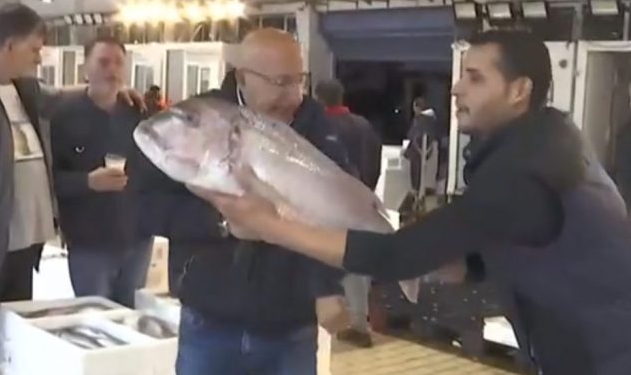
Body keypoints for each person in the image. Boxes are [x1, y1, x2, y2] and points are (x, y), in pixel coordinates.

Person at [192, 30, 631, 375]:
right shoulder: (542, 145)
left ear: (519, 91)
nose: (456, 88)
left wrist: (271, 226)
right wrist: (439, 255)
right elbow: (496, 253)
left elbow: (392, 257)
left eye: (475, 78)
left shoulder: (526, 170)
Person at [0, 3, 143, 375]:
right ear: (9, 45)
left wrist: (114, 88)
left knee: (8, 346)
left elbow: (65, 95)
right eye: (34, 48)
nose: (40, 56)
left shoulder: (23, 88)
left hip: (19, 248)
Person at [133, 28, 349, 375]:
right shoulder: (192, 122)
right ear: (243, 77)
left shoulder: (318, 129)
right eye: (280, 82)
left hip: (291, 324)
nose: (293, 95)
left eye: (298, 80)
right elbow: (144, 208)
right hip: (209, 319)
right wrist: (222, 223)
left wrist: (326, 285)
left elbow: (338, 212)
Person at [51, 36, 153, 308]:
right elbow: (48, 181)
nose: (112, 70)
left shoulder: (138, 112)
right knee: (95, 318)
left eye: (119, 62)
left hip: (137, 239)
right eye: (104, 62)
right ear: (86, 67)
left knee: (132, 318)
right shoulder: (63, 116)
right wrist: (87, 182)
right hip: (90, 243)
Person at [315, 78, 382, 348]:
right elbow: (375, 162)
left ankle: (333, 321)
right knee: (358, 263)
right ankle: (359, 323)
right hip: (361, 204)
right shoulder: (363, 126)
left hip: (330, 205)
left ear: (319, 98)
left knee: (328, 258)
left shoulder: (321, 127)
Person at [404, 96, 439, 195]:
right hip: (429, 152)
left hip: (417, 152)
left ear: (417, 107)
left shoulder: (419, 120)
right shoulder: (433, 120)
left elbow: (412, 135)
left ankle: (416, 193)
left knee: (416, 176)